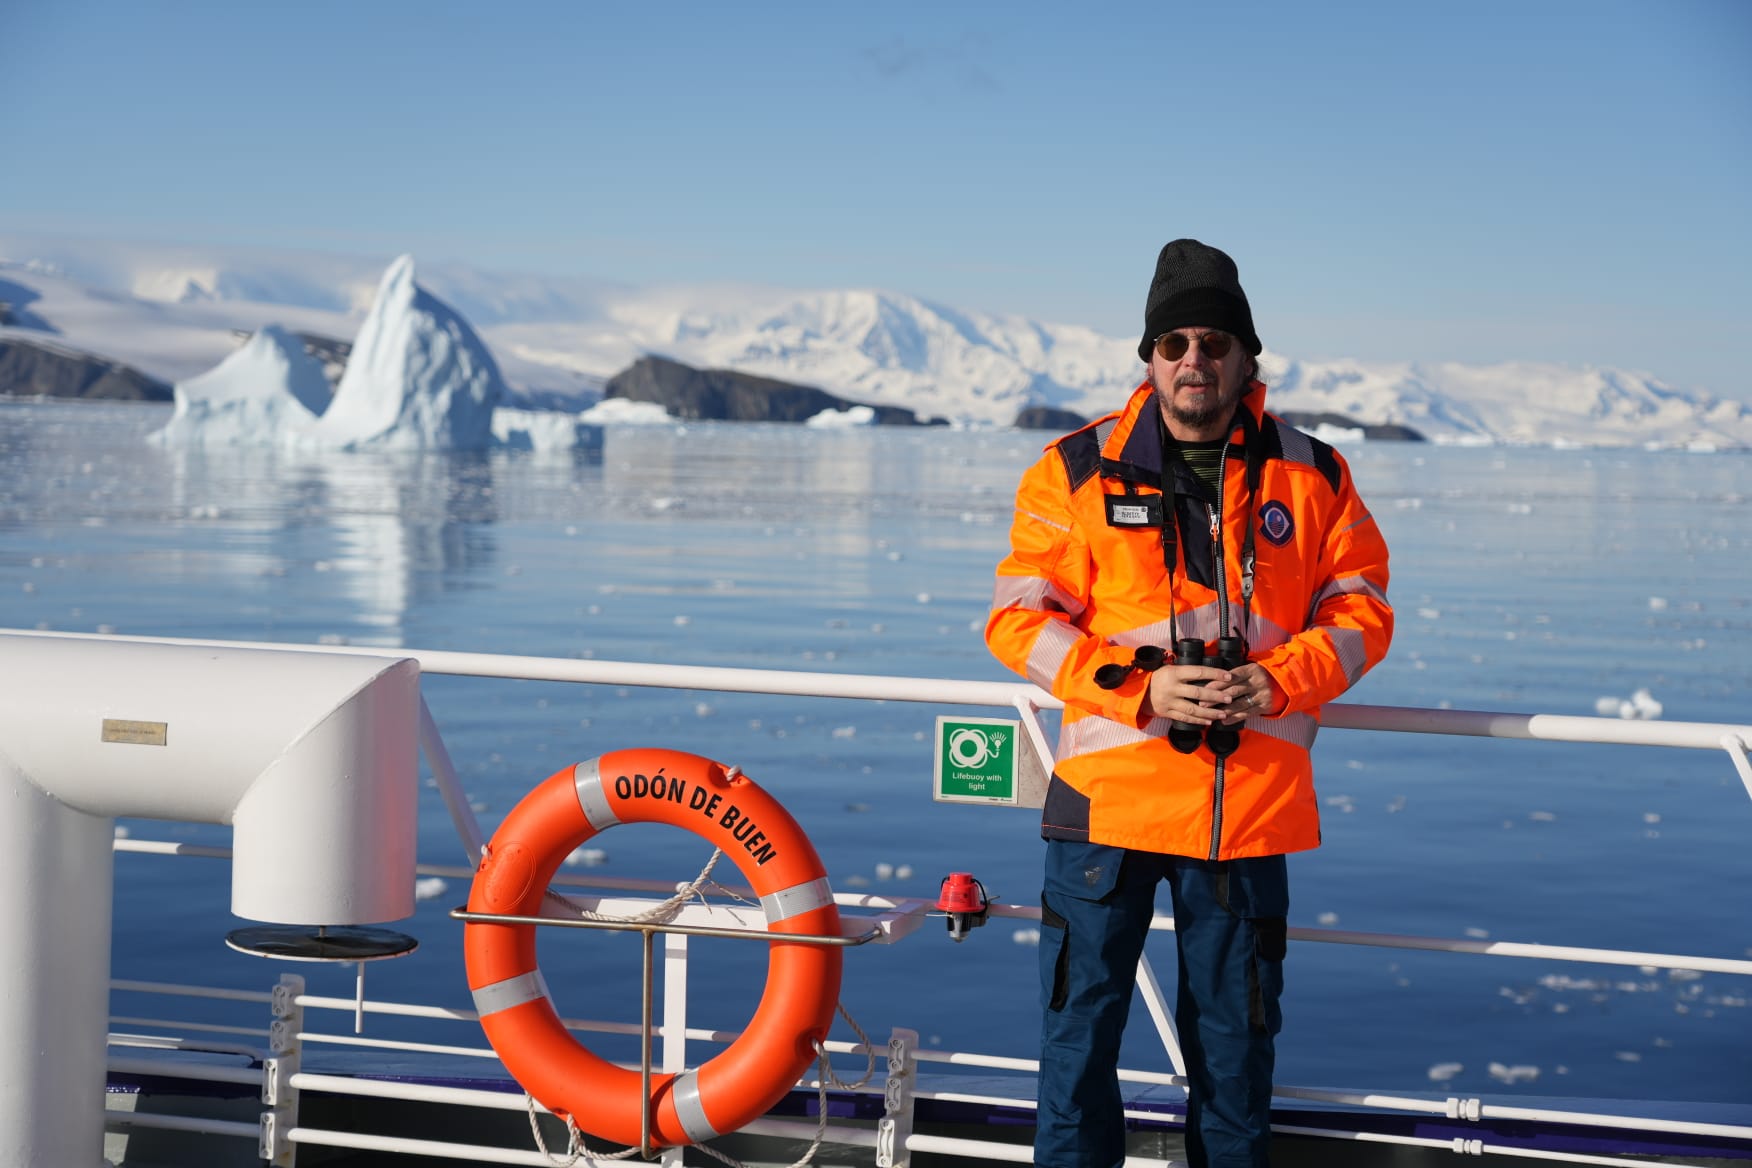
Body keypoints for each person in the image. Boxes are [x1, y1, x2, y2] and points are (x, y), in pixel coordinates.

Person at [984, 239, 1393, 1168]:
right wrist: (1140, 688)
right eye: (1173, 343)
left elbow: (1362, 608)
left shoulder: (1315, 475)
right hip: (1104, 807)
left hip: (1245, 813)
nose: (1193, 360)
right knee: (1077, 1056)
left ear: (1248, 357)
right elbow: (1019, 620)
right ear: (1149, 358)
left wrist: (1280, 678)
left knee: (1236, 1068)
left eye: (1213, 341)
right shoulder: (1075, 470)